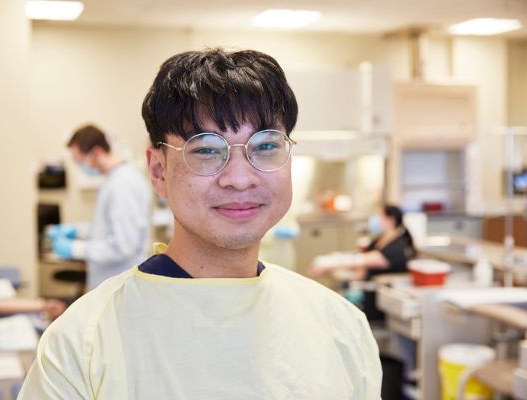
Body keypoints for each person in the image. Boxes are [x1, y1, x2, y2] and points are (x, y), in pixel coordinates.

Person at [19, 48, 381, 399]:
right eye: (207, 149)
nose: (240, 179)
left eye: (266, 146)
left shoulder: (341, 327)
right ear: (159, 171)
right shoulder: (81, 343)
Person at [49, 124, 152, 290]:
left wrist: (75, 249)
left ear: (96, 153)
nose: (80, 167)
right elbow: (107, 228)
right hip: (110, 283)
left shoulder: (123, 184)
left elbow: (122, 247)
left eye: (80, 161)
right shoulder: (113, 179)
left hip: (120, 286)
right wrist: (77, 230)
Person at [308, 204, 417, 319]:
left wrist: (329, 263)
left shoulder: (396, 248)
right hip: (365, 288)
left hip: (377, 299)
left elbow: (363, 260)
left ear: (390, 220)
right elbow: (359, 261)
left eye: (379, 216)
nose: (375, 219)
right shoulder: (379, 240)